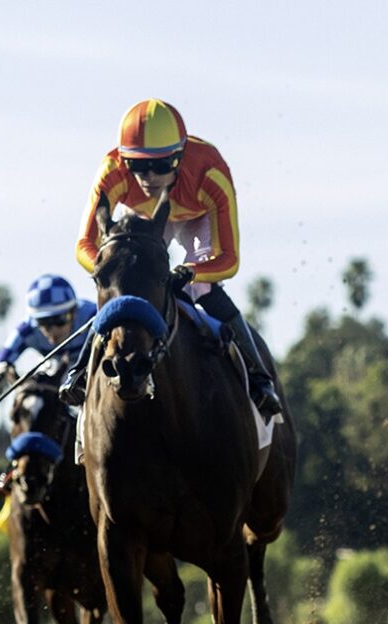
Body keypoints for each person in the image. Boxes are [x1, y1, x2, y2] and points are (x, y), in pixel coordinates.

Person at [59, 98, 281, 420]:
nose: (148, 176)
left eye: (161, 166)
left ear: (180, 156)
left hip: (197, 217)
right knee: (123, 287)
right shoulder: (111, 171)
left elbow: (229, 260)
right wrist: (108, 271)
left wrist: (191, 272)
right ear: (124, 160)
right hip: (143, 218)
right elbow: (83, 244)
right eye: (137, 165)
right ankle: (79, 372)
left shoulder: (210, 174)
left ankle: (259, 376)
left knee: (202, 291)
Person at [0, 274, 96, 392]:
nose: (52, 330)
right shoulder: (27, 330)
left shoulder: (93, 316)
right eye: (43, 322)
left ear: (74, 312)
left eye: (60, 319)